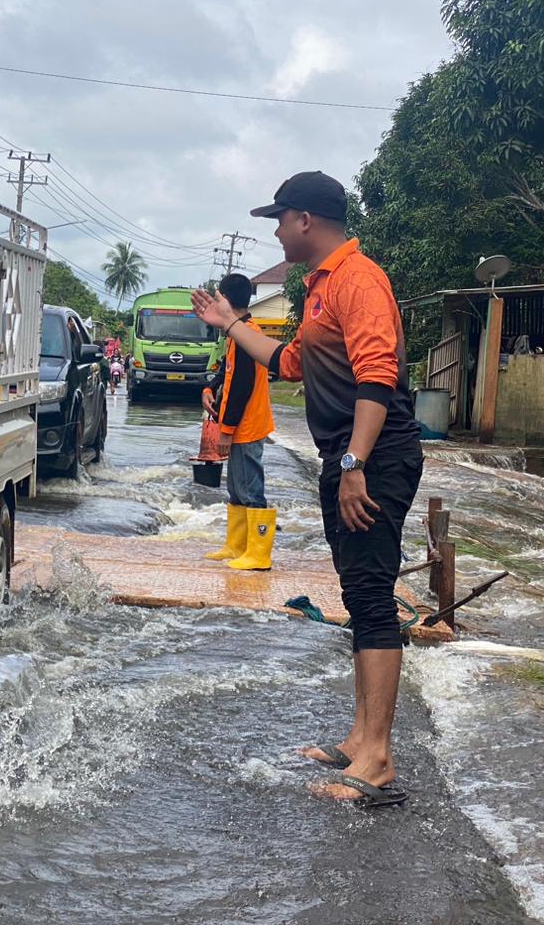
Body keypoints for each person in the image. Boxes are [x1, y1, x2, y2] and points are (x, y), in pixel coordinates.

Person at [191, 171, 423, 807]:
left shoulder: (360, 280)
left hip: (373, 458)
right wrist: (230, 320)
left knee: (373, 596)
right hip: (350, 458)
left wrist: (352, 465)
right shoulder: (321, 288)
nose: (275, 229)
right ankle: (361, 737)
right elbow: (290, 362)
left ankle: (377, 758)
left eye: (281, 217)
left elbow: (377, 381)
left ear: (307, 221)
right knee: (358, 592)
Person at [200, 273, 275, 569]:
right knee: (236, 488)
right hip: (239, 425)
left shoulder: (248, 335)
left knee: (250, 489)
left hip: (247, 426)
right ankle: (236, 546)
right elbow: (227, 374)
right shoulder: (237, 334)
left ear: (227, 301)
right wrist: (209, 388)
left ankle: (259, 554)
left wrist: (227, 431)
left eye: (218, 298)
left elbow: (242, 387)